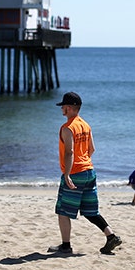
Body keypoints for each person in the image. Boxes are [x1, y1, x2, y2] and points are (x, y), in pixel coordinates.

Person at [51, 92, 123, 255]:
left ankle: (66, 246)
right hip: (89, 171)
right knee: (90, 211)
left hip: (75, 172)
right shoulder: (85, 125)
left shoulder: (68, 128)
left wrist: (68, 174)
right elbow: (92, 149)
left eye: (63, 106)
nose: (61, 108)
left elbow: (69, 152)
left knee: (63, 211)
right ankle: (111, 236)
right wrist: (83, 162)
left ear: (69, 108)